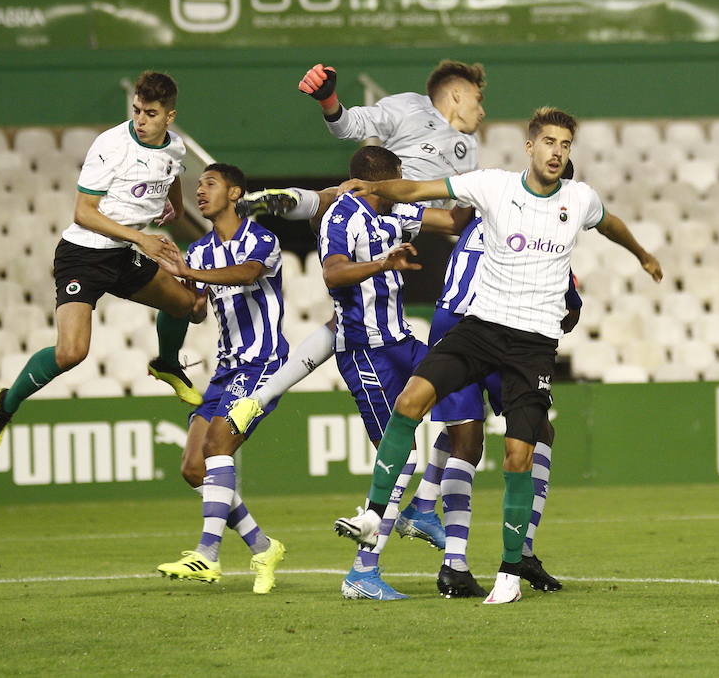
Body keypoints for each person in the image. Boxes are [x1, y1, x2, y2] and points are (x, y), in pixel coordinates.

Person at [332, 107, 663, 605]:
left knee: (517, 456)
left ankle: (511, 569)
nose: (557, 151)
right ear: (530, 146)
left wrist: (641, 253)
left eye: (565, 145)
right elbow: (420, 191)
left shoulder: (579, 199)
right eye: (548, 142)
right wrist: (370, 187)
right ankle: (372, 516)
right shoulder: (492, 186)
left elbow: (610, 222)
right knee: (409, 403)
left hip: (532, 346)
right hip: (480, 328)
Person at [225, 59, 491, 553]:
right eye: (477, 97)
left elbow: (458, 214)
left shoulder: (468, 150)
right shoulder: (408, 109)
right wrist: (329, 100)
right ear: (455, 94)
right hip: (372, 202)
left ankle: (259, 400)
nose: (482, 108)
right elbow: (353, 128)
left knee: (348, 321)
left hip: (403, 216)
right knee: (343, 211)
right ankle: (296, 202)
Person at [0, 72, 204, 457]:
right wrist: (141, 238)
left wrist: (177, 206)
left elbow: (172, 170)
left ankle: (167, 364)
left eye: (151, 113)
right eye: (136, 111)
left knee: (190, 306)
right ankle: (6, 403)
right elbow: (84, 213)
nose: (141, 120)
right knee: (71, 353)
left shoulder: (175, 147)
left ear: (170, 116)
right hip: (84, 253)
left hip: (124, 252)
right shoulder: (111, 145)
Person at [315, 146, 475, 600]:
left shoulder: (395, 211)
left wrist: (472, 183)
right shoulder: (341, 216)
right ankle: (361, 575)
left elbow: (453, 222)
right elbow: (333, 274)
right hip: (366, 351)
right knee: (400, 456)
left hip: (403, 341)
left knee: (464, 396)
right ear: (382, 181)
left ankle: (423, 506)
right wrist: (383, 263)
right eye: (398, 179)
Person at [423, 159, 584, 599]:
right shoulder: (547, 228)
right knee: (525, 435)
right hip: (489, 328)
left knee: (469, 441)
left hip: (452, 322)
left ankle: (456, 560)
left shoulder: (493, 203)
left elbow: (438, 217)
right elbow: (569, 310)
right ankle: (516, 550)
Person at [153, 164, 287, 594]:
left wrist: (191, 277)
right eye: (198, 185)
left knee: (216, 448)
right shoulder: (198, 251)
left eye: (210, 184)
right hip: (226, 368)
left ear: (235, 193)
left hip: (264, 362)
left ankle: (207, 555)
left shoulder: (261, 239)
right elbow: (195, 309)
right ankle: (262, 546)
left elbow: (247, 274)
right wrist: (169, 283)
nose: (201, 191)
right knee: (194, 468)